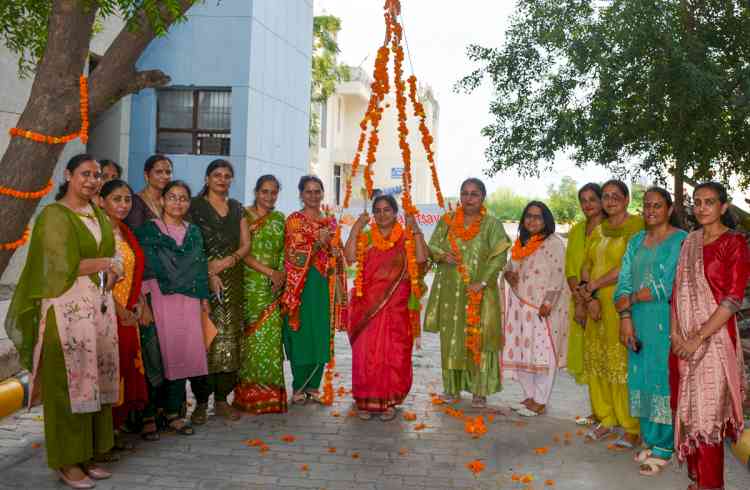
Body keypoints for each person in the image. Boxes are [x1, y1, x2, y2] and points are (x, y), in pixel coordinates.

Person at [6, 154, 122, 488]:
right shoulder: (54, 216)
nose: (92, 180)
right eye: (85, 174)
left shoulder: (96, 212)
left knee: (93, 382)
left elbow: (110, 258)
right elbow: (60, 266)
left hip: (96, 310)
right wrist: (105, 263)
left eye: (97, 175)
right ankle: (65, 461)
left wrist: (111, 270)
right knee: (68, 386)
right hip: (66, 311)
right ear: (68, 175)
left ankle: (86, 455)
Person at [671, 182, 749, 490]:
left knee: (709, 416)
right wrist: (676, 335)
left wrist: (697, 338)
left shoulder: (735, 243)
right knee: (689, 410)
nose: (702, 207)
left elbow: (732, 299)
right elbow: (678, 293)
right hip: (684, 339)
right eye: (697, 202)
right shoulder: (689, 242)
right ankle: (698, 478)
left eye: (710, 202)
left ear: (723, 207)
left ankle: (711, 484)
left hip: (715, 340)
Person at [614, 187, 686, 475]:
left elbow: (669, 284)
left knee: (661, 379)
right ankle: (652, 438)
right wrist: (625, 316)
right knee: (640, 377)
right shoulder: (636, 240)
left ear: (669, 209)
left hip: (665, 320)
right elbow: (624, 280)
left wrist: (631, 297)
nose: (651, 211)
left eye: (657, 206)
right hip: (637, 319)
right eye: (646, 206)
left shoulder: (681, 240)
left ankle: (666, 445)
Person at [424, 178, 511, 408]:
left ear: (482, 197)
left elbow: (500, 255)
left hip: (480, 293)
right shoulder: (448, 220)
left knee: (479, 338)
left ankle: (479, 390)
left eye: (474, 194)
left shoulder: (492, 224)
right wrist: (442, 255)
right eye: (464, 193)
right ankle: (451, 389)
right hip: (451, 292)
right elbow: (431, 246)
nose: (468, 198)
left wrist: (482, 282)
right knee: (452, 338)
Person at [136, 181, 210, 437]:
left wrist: (204, 301)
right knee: (155, 355)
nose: (177, 203)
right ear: (162, 201)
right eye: (172, 197)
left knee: (181, 354)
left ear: (189, 203)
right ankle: (148, 415)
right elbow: (141, 268)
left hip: (188, 301)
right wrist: (143, 304)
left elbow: (200, 269)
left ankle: (173, 413)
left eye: (183, 198)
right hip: (158, 298)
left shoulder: (194, 233)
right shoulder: (149, 231)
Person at [344, 194, 428, 421]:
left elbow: (421, 259)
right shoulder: (367, 236)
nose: (382, 215)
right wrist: (355, 229)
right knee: (366, 354)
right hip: (367, 307)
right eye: (378, 210)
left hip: (396, 307)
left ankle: (390, 400)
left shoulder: (406, 237)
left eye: (387, 210)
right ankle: (365, 399)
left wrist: (415, 227)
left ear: (395, 212)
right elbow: (349, 257)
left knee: (394, 354)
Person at [580, 179, 644, 449]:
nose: (610, 200)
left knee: (622, 366)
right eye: (605, 196)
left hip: (622, 306)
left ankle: (631, 427)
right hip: (597, 306)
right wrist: (589, 297)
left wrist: (594, 286)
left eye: (616, 195)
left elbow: (627, 268)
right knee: (599, 362)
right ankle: (606, 419)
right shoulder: (599, 229)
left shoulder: (638, 228)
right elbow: (586, 265)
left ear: (627, 199)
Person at [187, 160, 250, 422]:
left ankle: (222, 399)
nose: (222, 180)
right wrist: (208, 271)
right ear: (207, 178)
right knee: (204, 340)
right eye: (217, 175)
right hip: (201, 280)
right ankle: (201, 402)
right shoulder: (193, 207)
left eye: (227, 176)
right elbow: (187, 242)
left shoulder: (237, 208)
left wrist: (228, 261)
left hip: (233, 281)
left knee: (229, 340)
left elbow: (246, 245)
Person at [281, 176, 347, 404]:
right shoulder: (294, 221)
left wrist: (332, 247)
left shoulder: (330, 222)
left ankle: (313, 387)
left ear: (322, 193)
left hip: (323, 285)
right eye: (308, 191)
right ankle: (298, 386)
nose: (313, 195)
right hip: (300, 285)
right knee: (300, 334)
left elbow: (338, 254)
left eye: (317, 191)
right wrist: (317, 243)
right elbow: (291, 255)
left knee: (320, 332)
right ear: (301, 194)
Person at [502, 201, 569, 417]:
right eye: (528, 216)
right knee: (523, 352)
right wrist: (507, 274)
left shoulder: (554, 243)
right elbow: (510, 268)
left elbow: (558, 275)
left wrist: (548, 303)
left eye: (538, 217)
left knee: (542, 355)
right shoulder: (521, 243)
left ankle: (541, 400)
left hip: (541, 309)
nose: (532, 220)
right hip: (519, 308)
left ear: (546, 220)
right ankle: (529, 396)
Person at [99, 179, 149, 454]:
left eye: (127, 199)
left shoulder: (125, 232)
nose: (123, 204)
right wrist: (121, 311)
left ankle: (114, 430)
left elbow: (133, 273)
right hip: (106, 314)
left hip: (128, 312)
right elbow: (97, 280)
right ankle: (102, 438)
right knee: (108, 373)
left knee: (124, 371)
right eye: (116, 199)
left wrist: (139, 303)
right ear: (102, 201)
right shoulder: (99, 232)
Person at [233, 175, 288, 414]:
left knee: (270, 342)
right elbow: (241, 252)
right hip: (248, 286)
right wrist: (271, 273)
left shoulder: (279, 219)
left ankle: (270, 396)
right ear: (256, 192)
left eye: (273, 192)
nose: (269, 196)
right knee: (250, 341)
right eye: (264, 191)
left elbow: (285, 251)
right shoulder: (242, 216)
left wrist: (282, 275)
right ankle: (247, 395)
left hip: (273, 289)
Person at [566, 184, 605, 399]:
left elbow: (607, 268)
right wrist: (580, 301)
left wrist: (589, 300)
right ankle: (596, 409)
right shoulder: (577, 230)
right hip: (579, 298)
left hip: (602, 300)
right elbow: (571, 268)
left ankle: (607, 412)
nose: (587, 204)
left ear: (601, 201)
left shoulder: (610, 229)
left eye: (592, 199)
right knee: (585, 352)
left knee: (603, 354)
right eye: (583, 200)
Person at [124, 154, 173, 230]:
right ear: (146, 175)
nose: (165, 176)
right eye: (159, 172)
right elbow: (136, 235)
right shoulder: (135, 202)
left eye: (168, 172)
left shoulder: (171, 201)